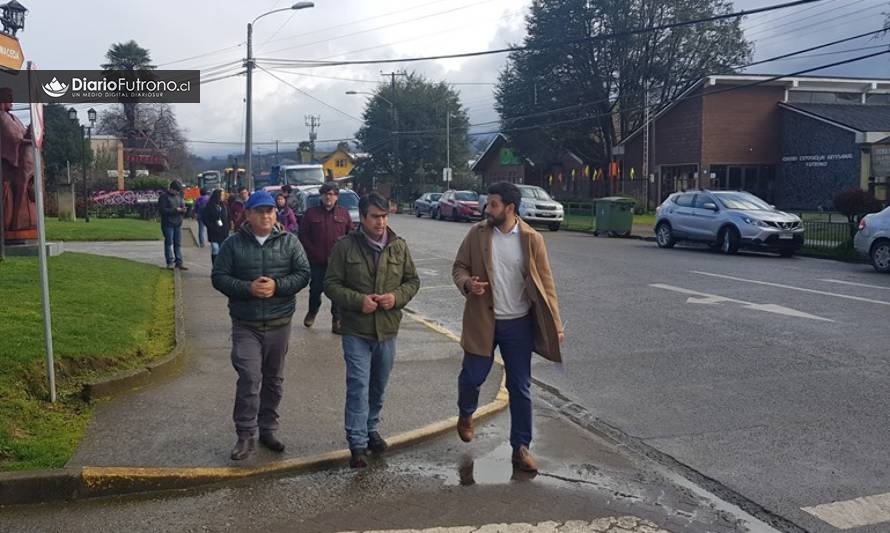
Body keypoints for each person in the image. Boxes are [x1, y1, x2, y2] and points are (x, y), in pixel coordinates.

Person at [451, 181, 565, 473]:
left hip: (519, 325)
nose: (487, 209)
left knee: (520, 387)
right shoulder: (476, 235)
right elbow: (459, 267)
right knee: (471, 377)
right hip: (483, 321)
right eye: (487, 204)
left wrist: (555, 322)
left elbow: (546, 283)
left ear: (510, 208)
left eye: (493, 205)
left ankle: (521, 448)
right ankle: (466, 414)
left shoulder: (532, 239)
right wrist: (467, 283)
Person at [211, 190, 311, 461]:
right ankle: (245, 435)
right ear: (248, 214)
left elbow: (303, 274)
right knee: (250, 378)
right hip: (246, 324)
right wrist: (248, 288)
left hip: (280, 322)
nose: (266, 215)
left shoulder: (290, 242)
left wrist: (278, 286)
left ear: (275, 213)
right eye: (259, 211)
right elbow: (219, 277)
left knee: (274, 380)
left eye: (270, 210)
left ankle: (268, 429)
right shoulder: (233, 244)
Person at [324, 192, 420, 468]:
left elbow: (412, 281)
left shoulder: (398, 246)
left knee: (378, 386)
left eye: (385, 215)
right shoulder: (345, 246)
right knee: (358, 385)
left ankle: (370, 428)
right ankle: (356, 443)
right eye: (376, 216)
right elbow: (330, 284)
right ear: (362, 218)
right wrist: (358, 301)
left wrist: (396, 298)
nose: (381, 222)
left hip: (387, 330)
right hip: (356, 330)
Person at [299, 182, 352, 334]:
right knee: (315, 290)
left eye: (332, 194)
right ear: (321, 196)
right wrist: (312, 251)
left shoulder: (343, 214)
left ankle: (337, 321)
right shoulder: (311, 214)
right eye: (326, 194)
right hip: (317, 262)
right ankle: (312, 312)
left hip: (338, 264)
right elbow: (303, 235)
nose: (328, 197)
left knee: (337, 294)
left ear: (336, 197)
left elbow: (351, 236)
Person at [158, 180, 188, 270]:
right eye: (176, 190)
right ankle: (170, 262)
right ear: (171, 189)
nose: (177, 192)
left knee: (177, 243)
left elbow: (182, 205)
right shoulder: (164, 197)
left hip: (178, 223)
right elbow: (162, 210)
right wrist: (175, 210)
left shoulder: (179, 196)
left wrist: (183, 210)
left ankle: (179, 261)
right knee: (169, 242)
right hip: (168, 223)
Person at [202, 189, 229, 264]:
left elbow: (227, 216)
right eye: (222, 195)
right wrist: (211, 226)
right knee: (215, 248)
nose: (223, 196)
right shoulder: (210, 206)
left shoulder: (224, 205)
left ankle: (221, 266)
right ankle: (215, 265)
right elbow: (205, 218)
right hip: (214, 232)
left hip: (223, 231)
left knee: (222, 250)